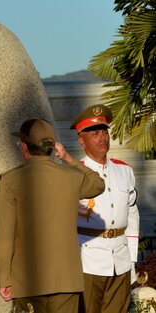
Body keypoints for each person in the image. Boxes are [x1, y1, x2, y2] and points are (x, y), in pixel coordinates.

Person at [0, 118, 105, 313]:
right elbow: (97, 184)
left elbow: (6, 236)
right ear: (53, 148)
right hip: (65, 281)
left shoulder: (11, 181)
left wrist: (4, 278)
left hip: (28, 279)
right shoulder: (70, 176)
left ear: (24, 147)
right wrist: (69, 159)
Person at [70, 104, 139, 313]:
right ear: (81, 140)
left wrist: (132, 260)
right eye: (95, 134)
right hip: (88, 261)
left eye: (104, 132)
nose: (102, 138)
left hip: (121, 259)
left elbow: (132, 215)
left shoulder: (124, 171)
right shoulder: (73, 173)